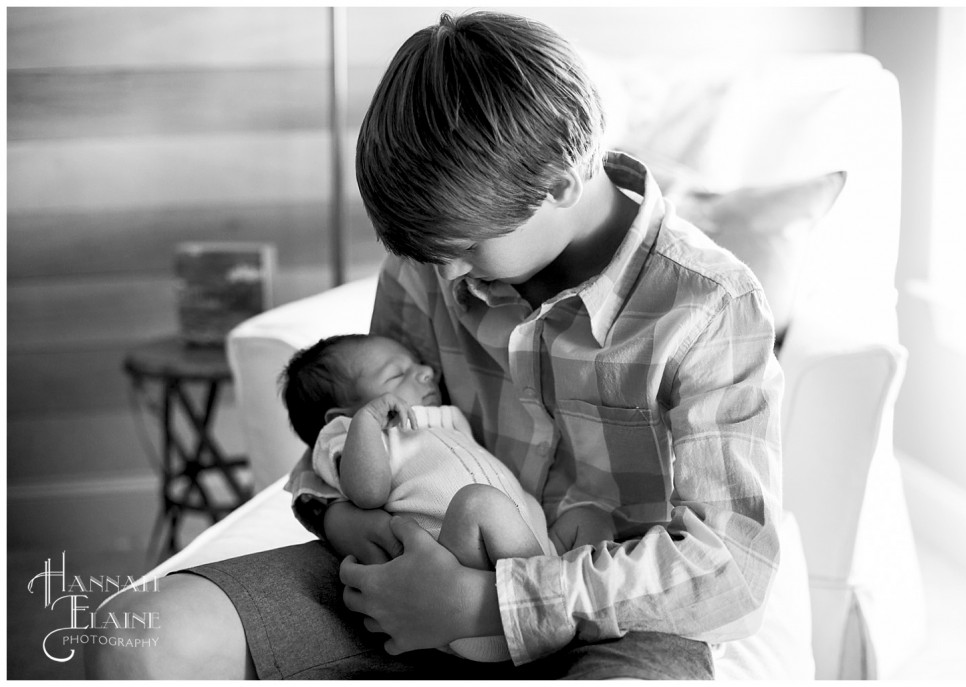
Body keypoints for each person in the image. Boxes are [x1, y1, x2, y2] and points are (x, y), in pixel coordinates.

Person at [86, 10, 782, 680]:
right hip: (410, 572)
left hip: (612, 620)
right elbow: (363, 426)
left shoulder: (710, 306)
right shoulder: (430, 263)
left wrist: (484, 602)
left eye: (467, 246)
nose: (445, 274)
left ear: (561, 183)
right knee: (140, 639)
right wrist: (346, 521)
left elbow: (733, 568)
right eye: (431, 251)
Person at [278, 333, 612, 661]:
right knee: (478, 502)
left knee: (590, 517)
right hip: (456, 592)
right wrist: (365, 423)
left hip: (521, 564)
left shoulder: (444, 417)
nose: (425, 372)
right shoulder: (352, 436)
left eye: (418, 364)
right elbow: (367, 493)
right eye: (397, 373)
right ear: (339, 417)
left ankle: (577, 601)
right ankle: (546, 617)